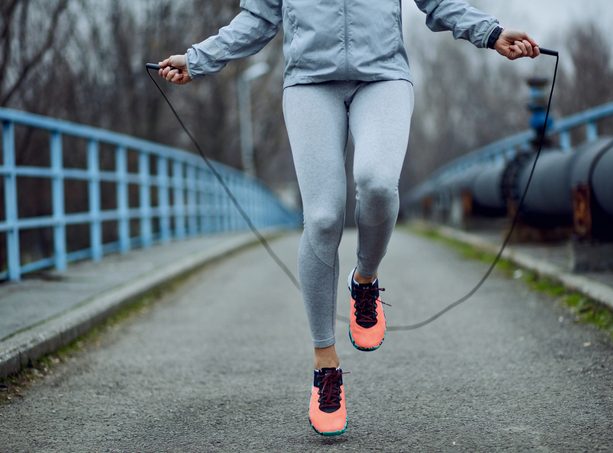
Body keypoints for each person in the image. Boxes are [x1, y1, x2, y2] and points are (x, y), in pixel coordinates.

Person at [158, 0, 539, 437]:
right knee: (321, 217)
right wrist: (197, 59)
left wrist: (490, 33)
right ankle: (326, 365)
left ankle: (364, 281)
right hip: (309, 84)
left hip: (383, 77)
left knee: (377, 182)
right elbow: (260, 17)